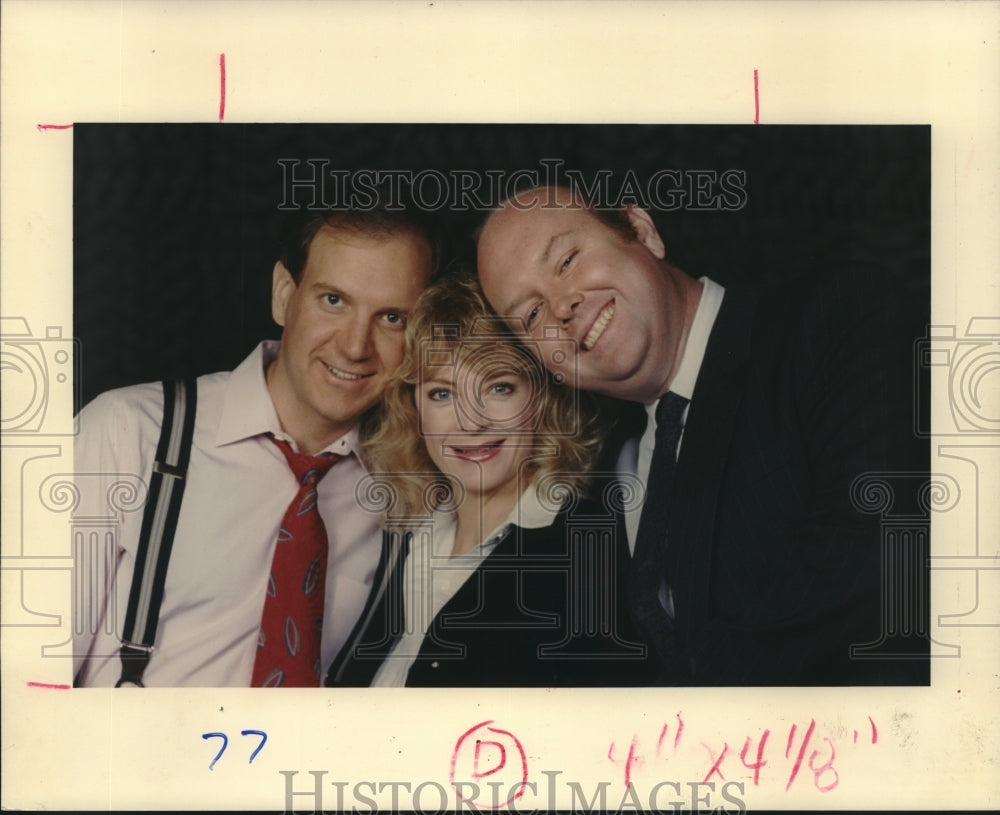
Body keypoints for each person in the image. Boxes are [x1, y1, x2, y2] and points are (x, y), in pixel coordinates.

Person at [475, 184, 929, 686]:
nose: (562, 306)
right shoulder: (597, 480)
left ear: (643, 232)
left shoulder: (835, 318)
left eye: (567, 261)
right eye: (531, 314)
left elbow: (875, 547)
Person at [73, 200, 435, 687]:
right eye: (333, 301)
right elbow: (27, 688)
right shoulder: (128, 432)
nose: (354, 346)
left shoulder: (409, 482)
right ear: (285, 295)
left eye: (392, 317)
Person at [327, 274, 654, 687]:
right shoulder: (399, 538)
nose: (470, 420)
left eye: (499, 387)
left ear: (541, 397)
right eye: (442, 394)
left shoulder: (592, 556)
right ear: (414, 408)